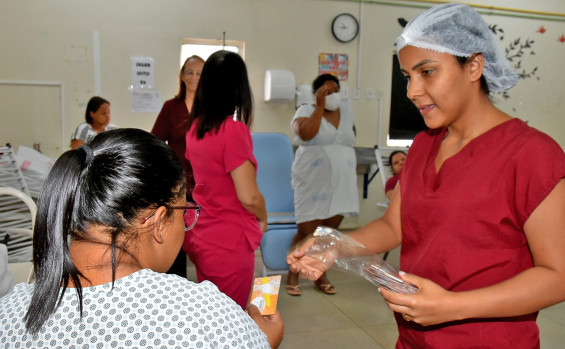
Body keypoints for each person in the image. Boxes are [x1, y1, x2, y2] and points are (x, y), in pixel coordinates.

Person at [288, 3, 565, 348]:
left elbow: (557, 276)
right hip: (414, 339)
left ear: (474, 66)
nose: (412, 91)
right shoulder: (423, 145)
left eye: (427, 72)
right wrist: (335, 245)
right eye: (408, 76)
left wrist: (452, 307)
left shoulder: (531, 154)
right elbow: (394, 226)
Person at [0, 128, 283, 348]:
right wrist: (260, 342)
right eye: (184, 210)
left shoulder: (10, 313)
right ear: (158, 221)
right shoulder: (203, 314)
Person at [184, 50, 267, 310]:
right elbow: (249, 197)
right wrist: (264, 216)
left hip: (201, 235)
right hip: (228, 242)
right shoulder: (233, 131)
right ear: (239, 88)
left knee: (212, 314)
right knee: (231, 318)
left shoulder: (195, 128)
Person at [285, 73, 359, 296]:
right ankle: (294, 272)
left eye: (335, 90)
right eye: (327, 91)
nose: (333, 95)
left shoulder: (346, 112)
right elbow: (306, 134)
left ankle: (319, 273)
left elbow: (350, 137)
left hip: (342, 183)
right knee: (308, 231)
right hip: (313, 182)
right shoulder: (306, 110)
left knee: (327, 234)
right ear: (317, 93)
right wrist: (320, 105)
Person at [151, 55, 205, 278]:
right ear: (182, 76)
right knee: (176, 238)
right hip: (177, 183)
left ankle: (208, 285)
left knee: (205, 239)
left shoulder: (210, 110)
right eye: (190, 72)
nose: (194, 77)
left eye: (199, 73)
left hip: (205, 182)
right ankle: (177, 285)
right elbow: (155, 141)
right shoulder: (171, 107)